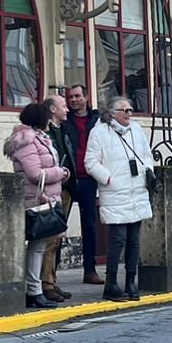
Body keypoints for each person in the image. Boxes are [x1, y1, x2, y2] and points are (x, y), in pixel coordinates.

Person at [83, 96, 155, 302]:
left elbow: (147, 154)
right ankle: (111, 283)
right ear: (112, 113)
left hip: (137, 189)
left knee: (134, 240)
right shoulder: (98, 133)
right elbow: (91, 162)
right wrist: (108, 178)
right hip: (115, 190)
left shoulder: (137, 130)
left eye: (131, 110)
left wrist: (147, 169)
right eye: (124, 110)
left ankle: (131, 282)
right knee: (118, 239)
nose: (129, 114)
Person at [5, 101, 71, 310]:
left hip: (45, 198)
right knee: (36, 247)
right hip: (36, 199)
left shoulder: (38, 139)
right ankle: (33, 291)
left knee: (39, 247)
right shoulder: (26, 141)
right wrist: (61, 173)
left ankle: (35, 289)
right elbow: (35, 174)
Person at [62, 84, 103, 284]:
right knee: (58, 226)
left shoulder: (97, 120)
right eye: (71, 97)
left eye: (78, 96)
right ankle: (49, 276)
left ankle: (90, 270)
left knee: (90, 226)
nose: (74, 100)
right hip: (68, 178)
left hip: (88, 177)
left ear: (86, 97)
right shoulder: (64, 121)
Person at [41, 93, 73, 302]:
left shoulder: (63, 130)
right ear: (53, 110)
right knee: (50, 240)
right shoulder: (45, 133)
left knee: (58, 239)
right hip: (54, 189)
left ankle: (52, 279)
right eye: (63, 106)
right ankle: (46, 283)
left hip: (67, 189)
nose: (67, 109)